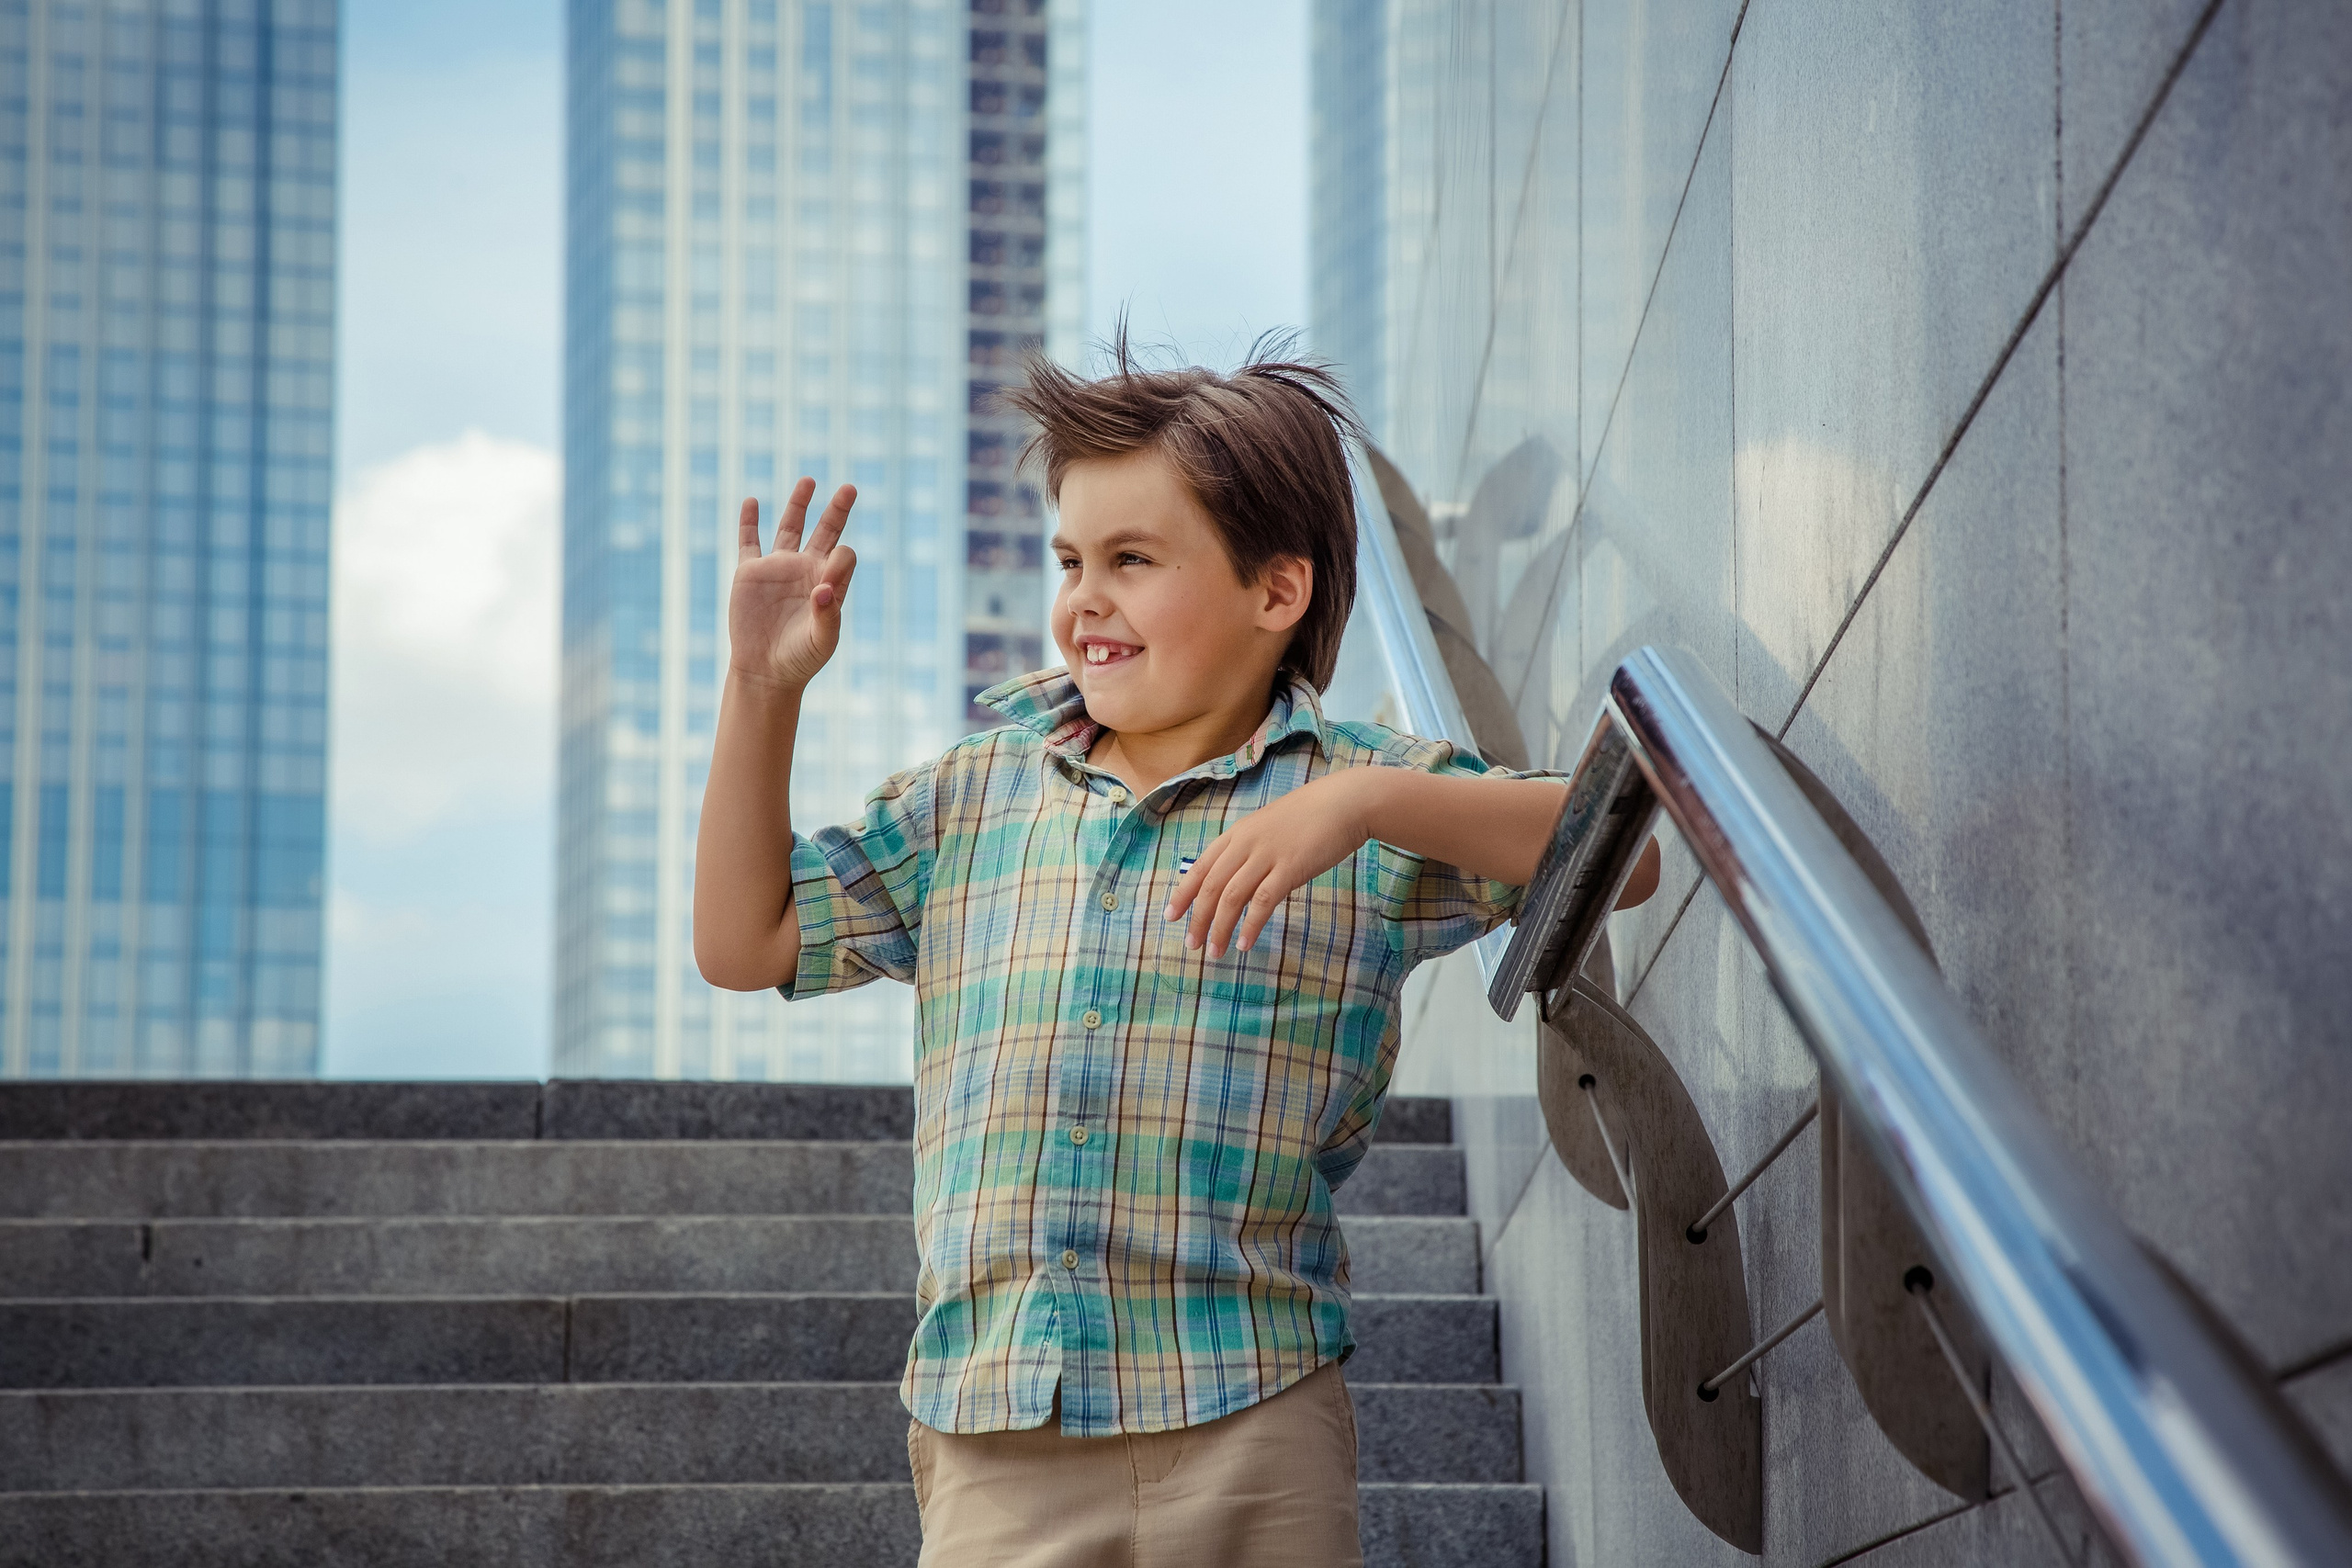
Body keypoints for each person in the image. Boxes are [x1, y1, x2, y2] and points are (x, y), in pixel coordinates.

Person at [693, 341, 1660, 1567]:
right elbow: (745, 940)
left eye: (1133, 562)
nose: (1084, 599)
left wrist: (1367, 806)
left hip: (1252, 1412)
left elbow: (1625, 855)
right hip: (1001, 1431)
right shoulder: (972, 797)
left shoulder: (1363, 800)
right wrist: (758, 688)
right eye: (1071, 561)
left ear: (1277, 593)